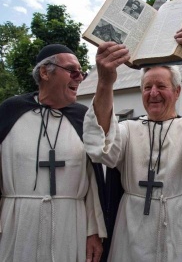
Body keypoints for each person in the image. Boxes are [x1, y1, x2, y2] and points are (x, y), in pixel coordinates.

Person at [83, 22, 182, 262]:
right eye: (147, 87)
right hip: (132, 227)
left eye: (161, 86)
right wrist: (105, 82)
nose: (153, 93)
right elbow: (102, 149)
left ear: (178, 91)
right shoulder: (128, 129)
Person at [0, 44, 107, 262]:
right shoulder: (10, 112)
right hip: (18, 224)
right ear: (44, 72)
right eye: (72, 70)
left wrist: (94, 231)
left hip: (70, 226)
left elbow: (92, 181)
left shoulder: (83, 118)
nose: (79, 78)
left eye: (81, 72)